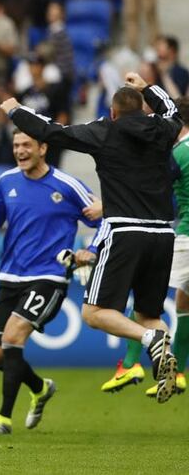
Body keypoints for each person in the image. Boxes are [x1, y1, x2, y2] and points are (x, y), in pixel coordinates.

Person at [1, 72, 182, 403]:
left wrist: (15, 110)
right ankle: (167, 360)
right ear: (142, 110)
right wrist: (147, 87)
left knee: (94, 313)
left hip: (126, 230)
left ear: (112, 112)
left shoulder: (103, 132)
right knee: (150, 314)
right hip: (162, 233)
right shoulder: (162, 130)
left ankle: (149, 341)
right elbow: (172, 110)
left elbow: (50, 131)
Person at [0, 128, 102, 435]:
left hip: (49, 275)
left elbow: (103, 219)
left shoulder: (66, 184)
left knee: (13, 337)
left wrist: (91, 249)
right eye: (16, 145)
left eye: (26, 145)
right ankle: (40, 387)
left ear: (43, 148)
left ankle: (3, 418)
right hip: (10, 276)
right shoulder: (7, 181)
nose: (20, 150)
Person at [100, 96, 189, 397]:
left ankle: (132, 364)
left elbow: (153, 181)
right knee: (175, 306)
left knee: (144, 305)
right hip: (172, 235)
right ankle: (173, 372)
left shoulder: (176, 152)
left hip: (183, 238)